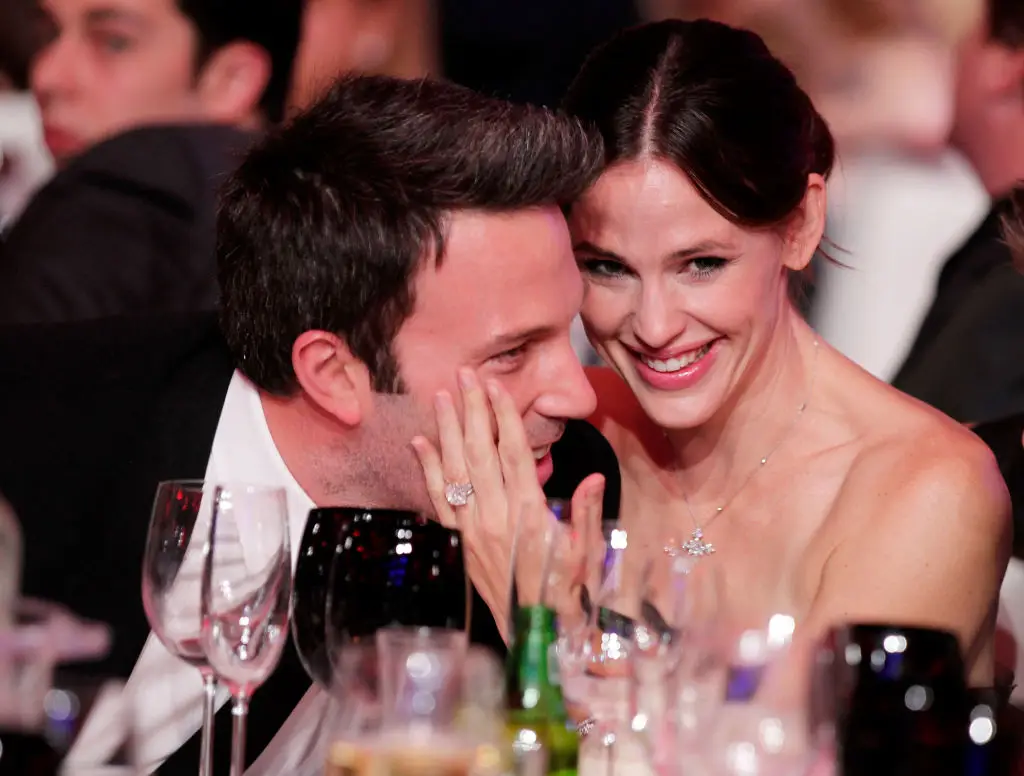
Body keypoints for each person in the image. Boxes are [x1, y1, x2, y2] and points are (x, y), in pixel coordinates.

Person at [0, 74, 618, 774]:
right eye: (512, 353)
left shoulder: (558, 493)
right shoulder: (35, 434)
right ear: (332, 373)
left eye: (567, 337)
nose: (577, 396)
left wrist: (544, 638)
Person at [416, 19, 1011, 689]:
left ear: (800, 226)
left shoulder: (923, 491)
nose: (655, 325)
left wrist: (552, 637)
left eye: (701, 263)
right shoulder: (564, 430)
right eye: (607, 267)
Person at [0, 0, 304, 324]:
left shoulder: (119, 192)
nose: (45, 76)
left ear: (232, 78)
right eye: (46, 35)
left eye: (114, 41)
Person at [893, 0, 1024, 425]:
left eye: (955, 42)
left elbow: (911, 454)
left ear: (1007, 66)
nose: (950, 62)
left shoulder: (1009, 280)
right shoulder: (993, 257)